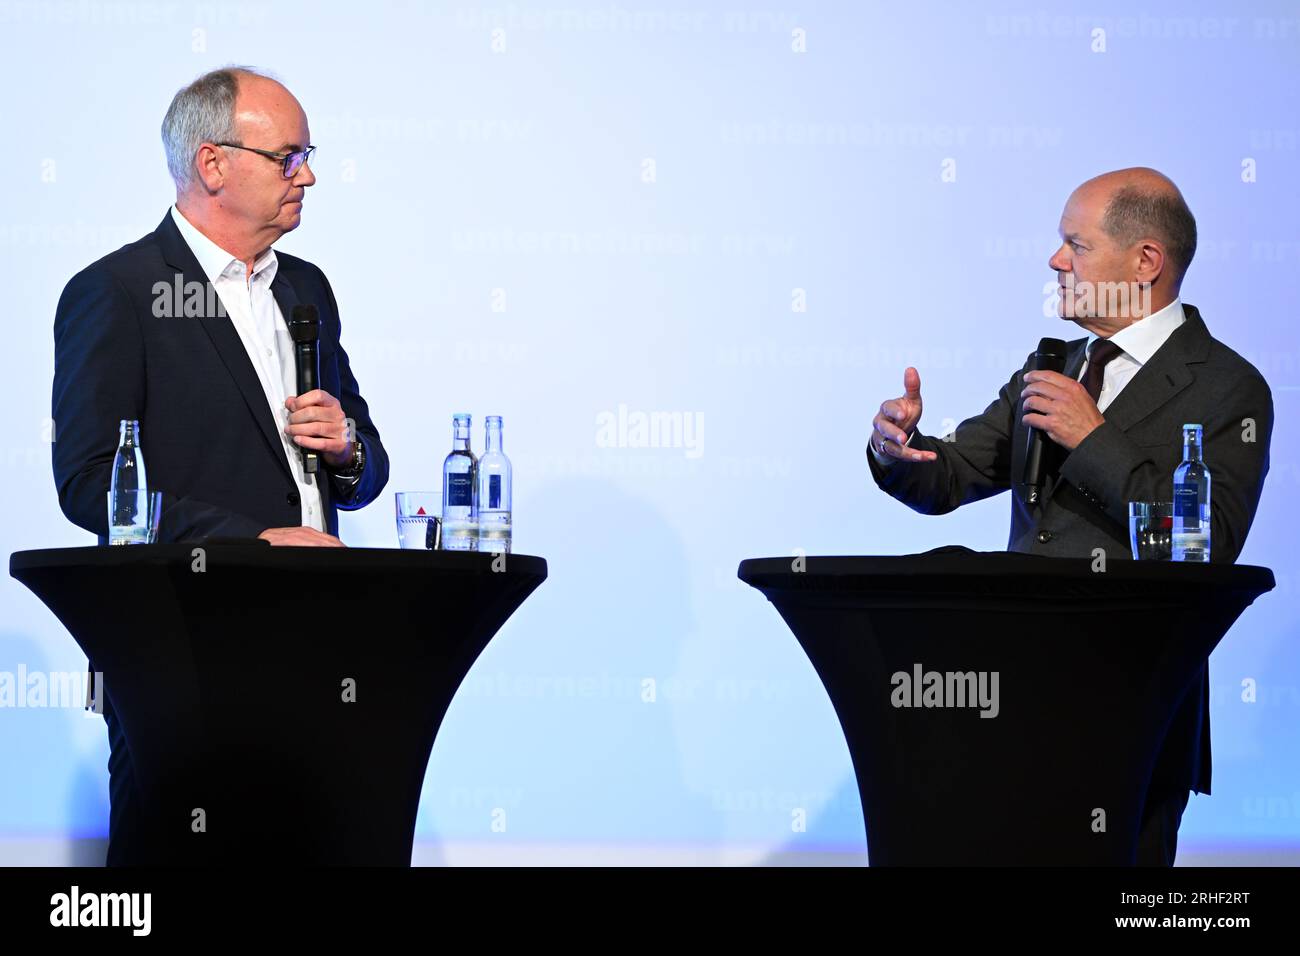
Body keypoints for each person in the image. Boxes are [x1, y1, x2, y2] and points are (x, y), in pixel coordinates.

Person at [867, 167, 1272, 865]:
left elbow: (1205, 551)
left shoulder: (1227, 387)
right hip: (1011, 702)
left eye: (1075, 245)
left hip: (1130, 714)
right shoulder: (1054, 364)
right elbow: (956, 474)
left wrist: (1094, 442)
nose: (1057, 261)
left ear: (1145, 261)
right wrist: (899, 451)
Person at [50, 66, 388, 863]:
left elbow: (365, 472)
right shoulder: (119, 291)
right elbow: (93, 483)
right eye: (288, 156)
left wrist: (347, 446)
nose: (307, 174)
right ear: (212, 164)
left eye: (308, 154)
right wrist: (254, 543)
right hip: (180, 646)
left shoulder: (306, 288)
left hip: (320, 644)